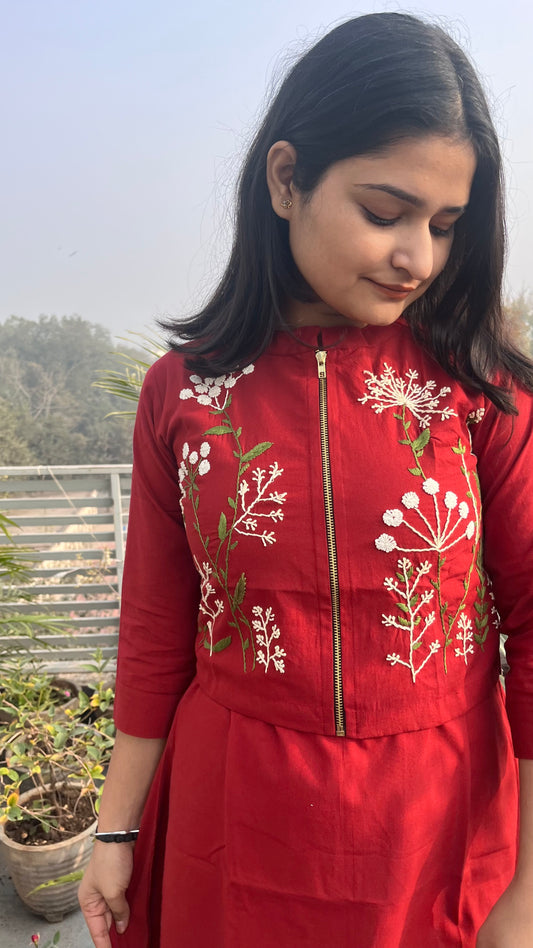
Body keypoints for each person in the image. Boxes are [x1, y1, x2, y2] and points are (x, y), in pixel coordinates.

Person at [79, 12, 533, 948]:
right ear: (286, 179)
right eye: (384, 213)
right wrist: (115, 831)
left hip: (436, 820)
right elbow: (156, 629)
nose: (418, 258)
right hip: (234, 814)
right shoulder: (183, 392)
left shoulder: (482, 391)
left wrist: (527, 891)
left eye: (444, 226)